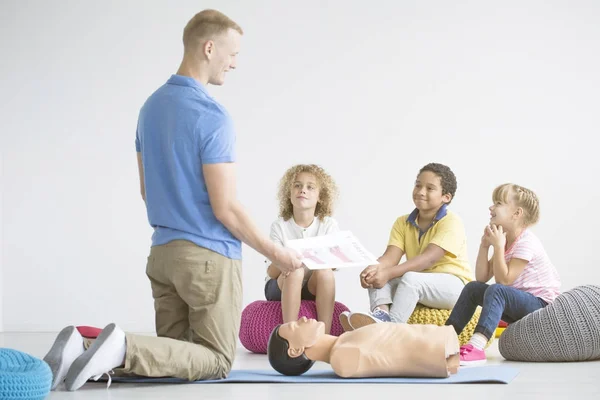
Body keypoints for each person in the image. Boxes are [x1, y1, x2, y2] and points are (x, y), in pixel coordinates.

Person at [42, 9, 302, 391]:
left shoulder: (150, 109)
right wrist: (277, 253)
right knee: (214, 360)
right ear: (209, 47)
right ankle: (120, 346)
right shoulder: (211, 115)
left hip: (163, 253)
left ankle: (85, 349)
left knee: (173, 360)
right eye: (232, 54)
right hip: (207, 260)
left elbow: (147, 191)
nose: (234, 63)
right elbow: (225, 207)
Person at [342, 163, 472, 330]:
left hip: (455, 287)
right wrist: (374, 269)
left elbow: (428, 259)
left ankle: (391, 330)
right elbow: (390, 257)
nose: (421, 191)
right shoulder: (402, 222)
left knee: (409, 278)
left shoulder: (451, 221)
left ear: (445, 197)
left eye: (430, 188)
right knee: (379, 275)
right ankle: (380, 315)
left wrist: (388, 272)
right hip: (419, 282)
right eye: (418, 185)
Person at [445, 183, 561, 366]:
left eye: (498, 203)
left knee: (497, 290)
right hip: (518, 303)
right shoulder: (505, 240)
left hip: (540, 306)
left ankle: (477, 346)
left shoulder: (526, 242)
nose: (491, 207)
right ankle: (445, 339)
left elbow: (504, 280)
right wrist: (485, 246)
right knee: (473, 288)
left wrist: (498, 246)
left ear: (516, 214)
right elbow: (482, 278)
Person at [264, 164, 340, 333]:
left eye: (310, 187)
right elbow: (272, 272)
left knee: (325, 272)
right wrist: (289, 258)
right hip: (280, 284)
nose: (302, 190)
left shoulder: (328, 225)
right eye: (297, 185)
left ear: (320, 196)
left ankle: (324, 335)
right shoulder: (280, 226)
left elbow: (333, 264)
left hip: (313, 286)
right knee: (295, 270)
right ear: (289, 194)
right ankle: (289, 334)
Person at [267, 317, 460, 378]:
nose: (301, 318)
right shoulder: (342, 359)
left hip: (437, 339)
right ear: (295, 350)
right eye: (294, 326)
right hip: (436, 350)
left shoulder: (343, 343)